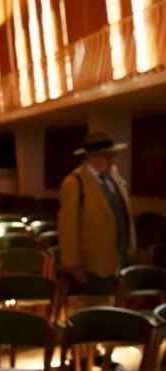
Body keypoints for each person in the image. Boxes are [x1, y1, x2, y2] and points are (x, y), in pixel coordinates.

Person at [57, 130, 136, 367]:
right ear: (93, 157)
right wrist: (72, 264)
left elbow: (121, 214)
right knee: (83, 314)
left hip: (111, 259)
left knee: (105, 310)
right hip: (86, 262)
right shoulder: (75, 183)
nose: (112, 160)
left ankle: (99, 354)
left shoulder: (112, 178)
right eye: (108, 156)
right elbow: (67, 226)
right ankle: (79, 358)